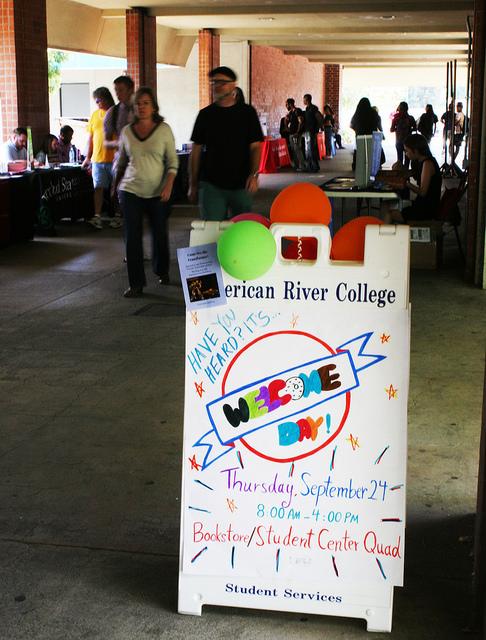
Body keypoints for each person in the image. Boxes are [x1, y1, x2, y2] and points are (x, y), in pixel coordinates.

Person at [114, 87, 178, 298]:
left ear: (154, 106)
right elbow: (121, 161)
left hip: (158, 191)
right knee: (132, 236)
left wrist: (168, 184)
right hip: (130, 189)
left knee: (159, 233)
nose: (141, 107)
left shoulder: (164, 130)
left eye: (145, 103)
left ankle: (162, 270)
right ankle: (136, 284)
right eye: (137, 104)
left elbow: (172, 161)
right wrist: (115, 186)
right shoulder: (126, 132)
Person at [188, 66, 263, 221]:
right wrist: (193, 184)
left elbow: (255, 147)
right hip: (211, 184)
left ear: (233, 85)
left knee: (240, 230)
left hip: (241, 184)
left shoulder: (247, 113)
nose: (217, 86)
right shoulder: (205, 115)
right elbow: (196, 150)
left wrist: (254, 174)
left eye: (222, 82)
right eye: (214, 82)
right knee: (212, 231)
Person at [384, 133, 442, 224]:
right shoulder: (421, 161)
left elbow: (422, 192)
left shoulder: (428, 164)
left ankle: (385, 237)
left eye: (407, 151)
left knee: (388, 213)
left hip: (427, 208)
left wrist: (406, 183)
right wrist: (401, 168)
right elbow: (410, 173)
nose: (406, 154)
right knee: (387, 204)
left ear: (416, 151)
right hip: (422, 204)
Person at [103, 75, 135, 229]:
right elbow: (105, 142)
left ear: (131, 90)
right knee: (118, 189)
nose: (117, 94)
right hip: (122, 158)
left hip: (140, 159)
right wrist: (119, 143)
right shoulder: (113, 112)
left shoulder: (140, 109)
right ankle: (118, 214)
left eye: (121, 90)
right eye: (116, 90)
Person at [82, 86, 115, 229]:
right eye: (95, 101)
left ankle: (117, 215)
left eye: (98, 100)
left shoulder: (116, 113)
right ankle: (97, 216)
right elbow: (91, 138)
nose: (96, 103)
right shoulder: (95, 116)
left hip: (114, 159)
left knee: (116, 189)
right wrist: (87, 157)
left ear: (105, 98)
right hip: (97, 159)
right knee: (98, 188)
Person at [350, 97, 381, 170]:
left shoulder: (357, 113)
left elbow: (352, 125)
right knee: (370, 151)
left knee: (360, 151)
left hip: (360, 135)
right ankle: (370, 166)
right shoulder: (373, 113)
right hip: (371, 135)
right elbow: (378, 123)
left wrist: (357, 130)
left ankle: (359, 166)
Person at [390, 102, 417, 168]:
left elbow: (391, 130)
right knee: (407, 159)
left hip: (398, 140)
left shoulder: (396, 118)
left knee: (399, 159)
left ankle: (400, 174)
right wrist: (409, 129)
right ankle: (406, 175)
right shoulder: (411, 118)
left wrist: (397, 129)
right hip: (408, 141)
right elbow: (415, 128)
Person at [282, 98, 306, 171]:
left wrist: (297, 132)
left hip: (296, 134)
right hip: (291, 134)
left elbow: (301, 122)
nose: (286, 106)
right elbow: (286, 122)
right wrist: (286, 123)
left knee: (297, 149)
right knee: (293, 149)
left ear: (290, 104)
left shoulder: (297, 111)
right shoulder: (291, 112)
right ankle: (296, 165)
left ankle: (302, 166)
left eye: (286, 104)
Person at [302, 93, 321, 172]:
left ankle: (315, 166)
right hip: (307, 131)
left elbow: (319, 118)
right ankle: (309, 166)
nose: (303, 101)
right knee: (308, 150)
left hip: (312, 131)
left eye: (304, 99)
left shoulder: (314, 108)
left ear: (307, 99)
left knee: (312, 149)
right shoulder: (307, 108)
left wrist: (317, 129)